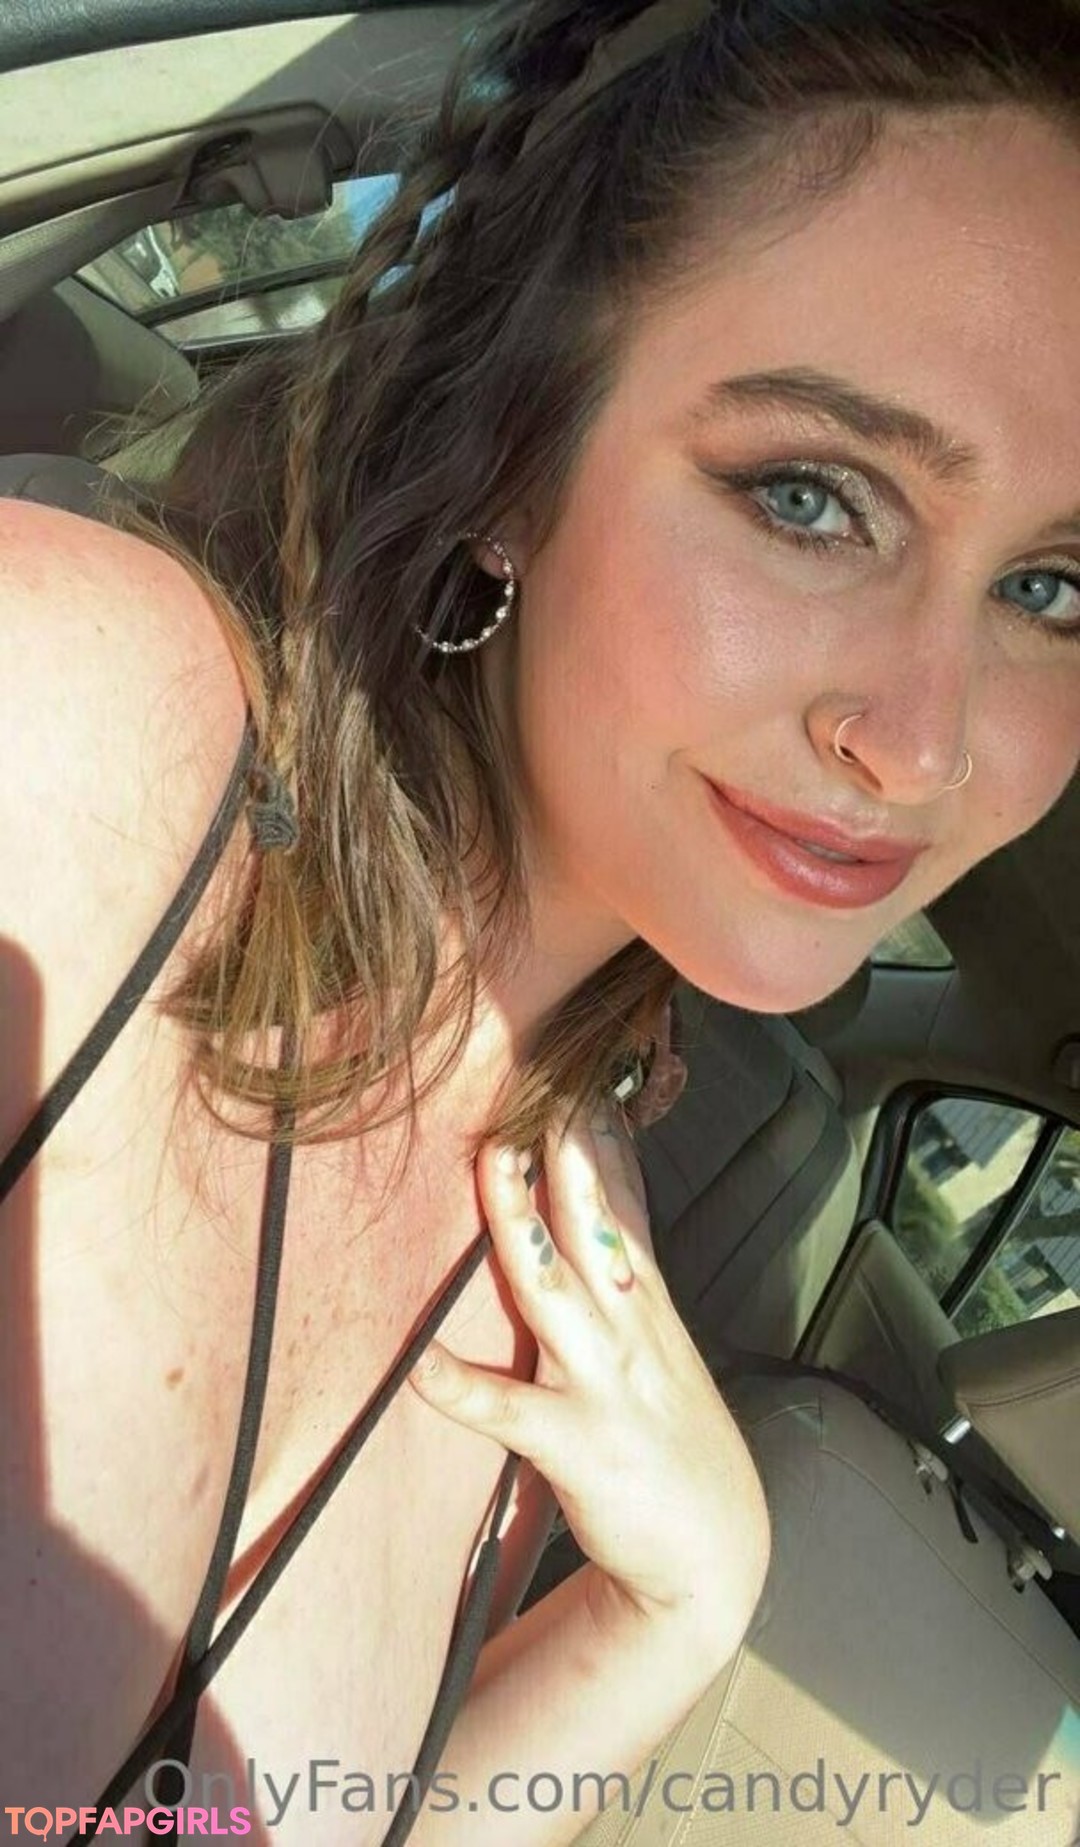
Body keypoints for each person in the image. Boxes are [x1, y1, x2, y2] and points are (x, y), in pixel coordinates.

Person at [4, 0, 1080, 1841]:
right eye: (811, 498)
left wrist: (681, 1605)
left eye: (1054, 587)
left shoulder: (574, 1274)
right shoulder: (65, 727)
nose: (920, 745)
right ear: (511, 449)